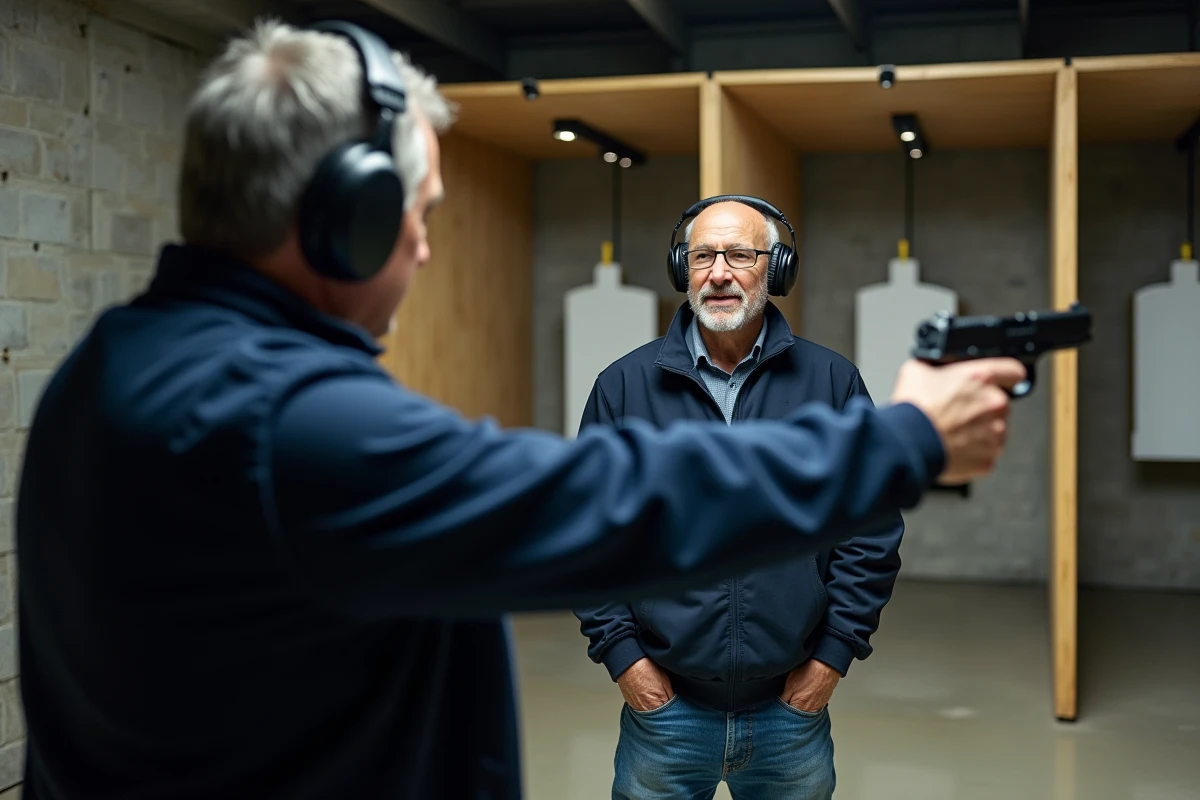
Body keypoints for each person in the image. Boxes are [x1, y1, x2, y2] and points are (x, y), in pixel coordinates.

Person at [14, 19, 1024, 800]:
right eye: (419, 214)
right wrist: (907, 437)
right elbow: (603, 502)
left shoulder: (110, 363)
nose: (420, 249)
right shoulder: (286, 422)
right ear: (347, 214)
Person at [574, 195, 903, 800]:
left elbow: (871, 530)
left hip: (790, 714)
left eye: (741, 255)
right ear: (682, 268)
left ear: (775, 269)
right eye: (703, 255)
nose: (719, 272)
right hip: (663, 716)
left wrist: (829, 662)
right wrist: (626, 661)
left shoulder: (831, 384)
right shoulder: (622, 387)